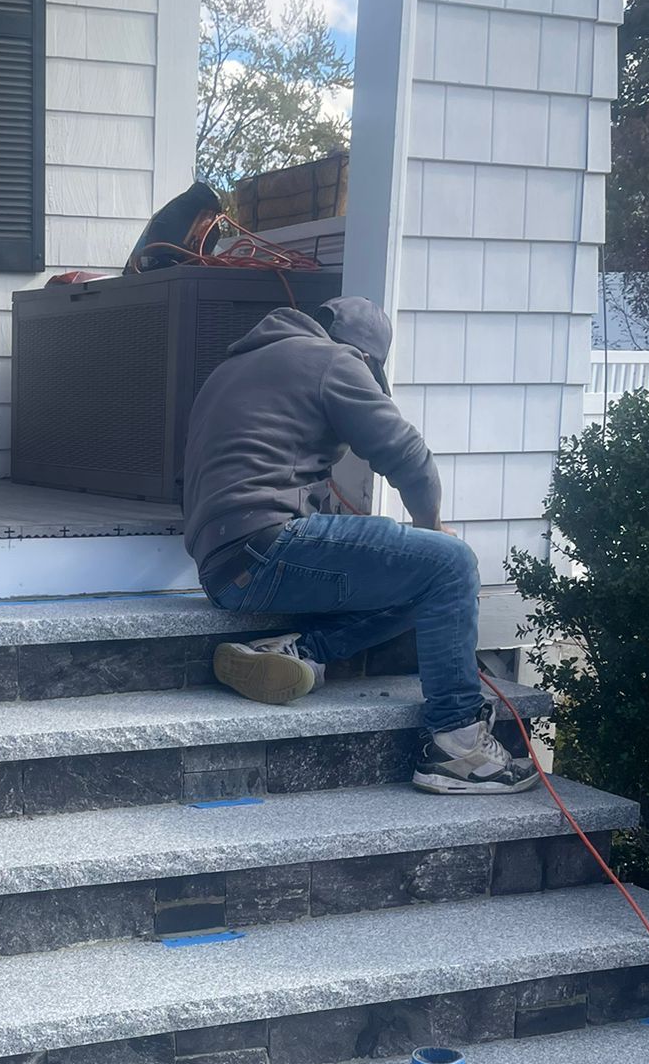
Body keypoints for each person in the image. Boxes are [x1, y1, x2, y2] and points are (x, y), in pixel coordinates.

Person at [183, 296, 537, 794]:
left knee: (418, 581)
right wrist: (430, 526)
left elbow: (270, 473)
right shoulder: (333, 360)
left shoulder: (234, 368)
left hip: (224, 572)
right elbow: (407, 455)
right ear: (367, 359)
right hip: (270, 544)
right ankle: (460, 746)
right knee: (449, 564)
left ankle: (299, 650)